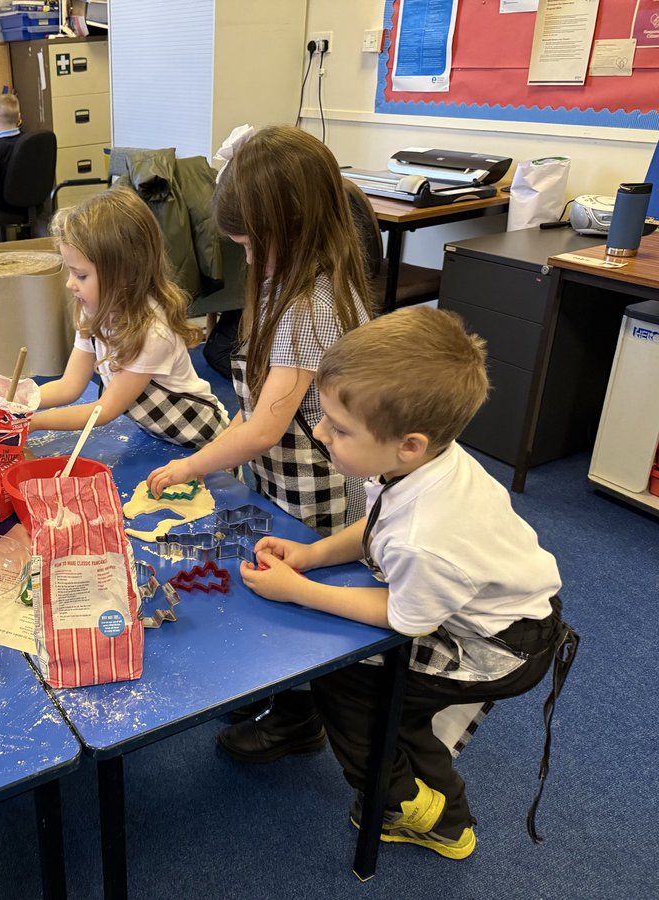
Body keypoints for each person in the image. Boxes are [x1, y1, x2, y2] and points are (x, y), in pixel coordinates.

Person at [242, 306, 578, 859]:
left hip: (499, 647)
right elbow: (375, 526)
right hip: (490, 611)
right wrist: (312, 554)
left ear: (410, 444)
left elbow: (405, 617)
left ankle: (422, 812)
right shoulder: (416, 464)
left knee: (352, 683)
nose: (320, 431)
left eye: (339, 428)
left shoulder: (427, 535)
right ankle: (408, 754)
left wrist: (298, 590)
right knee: (384, 696)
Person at [144, 125, 373, 762]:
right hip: (278, 474)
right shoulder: (296, 272)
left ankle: (298, 716)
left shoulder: (312, 302)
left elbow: (266, 427)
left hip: (311, 486)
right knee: (271, 578)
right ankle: (282, 697)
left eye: (253, 244)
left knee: (298, 605)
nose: (246, 258)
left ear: (292, 226)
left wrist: (191, 463)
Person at [30, 189, 230, 447]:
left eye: (81, 276)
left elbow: (105, 410)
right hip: (159, 439)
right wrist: (17, 400)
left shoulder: (152, 332)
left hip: (203, 442)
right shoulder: (92, 311)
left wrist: (34, 422)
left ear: (124, 274)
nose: (70, 284)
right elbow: (69, 386)